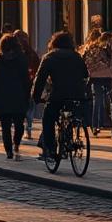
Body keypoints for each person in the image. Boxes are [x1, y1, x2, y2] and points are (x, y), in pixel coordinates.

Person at [31, 31, 90, 162]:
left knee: (48, 118)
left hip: (57, 95)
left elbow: (40, 79)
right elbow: (86, 75)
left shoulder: (49, 57)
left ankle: (51, 148)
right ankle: (68, 141)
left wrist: (36, 97)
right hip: (77, 94)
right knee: (70, 116)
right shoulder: (77, 56)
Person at [0, 33, 31, 160]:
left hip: (2, 96)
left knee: (5, 126)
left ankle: (9, 151)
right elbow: (26, 79)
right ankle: (16, 144)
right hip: (18, 95)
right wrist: (28, 94)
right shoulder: (21, 59)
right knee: (19, 124)